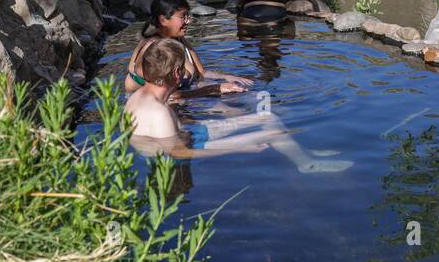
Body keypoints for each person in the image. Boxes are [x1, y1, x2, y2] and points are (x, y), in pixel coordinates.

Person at [126, 38, 353, 172]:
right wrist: (238, 148)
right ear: (176, 73)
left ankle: (300, 151)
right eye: (183, 68)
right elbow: (180, 154)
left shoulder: (144, 96)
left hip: (187, 135)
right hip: (184, 148)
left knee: (265, 116)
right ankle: (306, 164)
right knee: (272, 132)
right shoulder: (158, 112)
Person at [124, 0, 251, 96]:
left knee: (244, 95)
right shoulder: (154, 49)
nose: (188, 21)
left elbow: (201, 72)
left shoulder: (179, 39)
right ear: (163, 20)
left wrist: (227, 77)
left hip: (183, 99)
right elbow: (163, 96)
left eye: (188, 16)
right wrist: (214, 89)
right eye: (183, 17)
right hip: (157, 113)